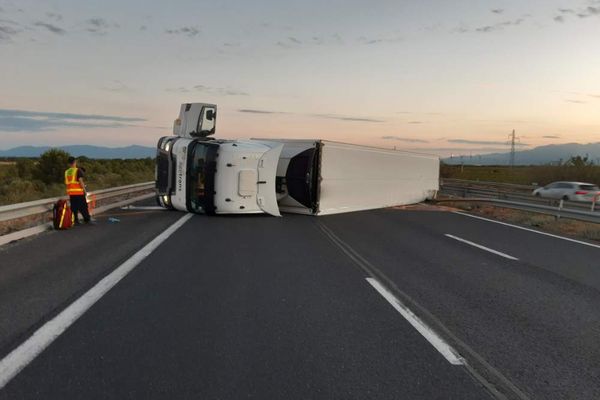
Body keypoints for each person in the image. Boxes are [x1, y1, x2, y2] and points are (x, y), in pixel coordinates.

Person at [65, 157, 92, 224]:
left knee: (74, 207)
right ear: (75, 162)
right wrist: (85, 191)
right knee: (83, 206)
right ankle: (87, 219)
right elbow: (80, 181)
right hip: (78, 192)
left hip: (71, 193)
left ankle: (76, 220)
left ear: (69, 163)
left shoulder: (67, 172)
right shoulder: (77, 170)